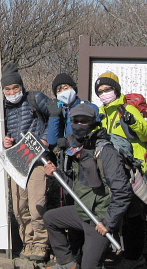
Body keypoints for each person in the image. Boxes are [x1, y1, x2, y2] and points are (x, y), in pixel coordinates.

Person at [43, 103, 132, 269]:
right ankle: (68, 264)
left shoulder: (106, 152)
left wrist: (108, 222)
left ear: (94, 122)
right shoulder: (78, 149)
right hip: (83, 212)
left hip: (99, 219)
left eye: (84, 121)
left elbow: (123, 192)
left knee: (90, 266)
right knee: (51, 218)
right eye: (75, 120)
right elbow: (76, 185)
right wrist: (56, 174)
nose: (79, 125)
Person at [95, 71, 147, 269]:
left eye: (108, 89)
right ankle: (124, 253)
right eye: (100, 91)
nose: (104, 93)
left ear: (116, 89)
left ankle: (134, 257)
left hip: (135, 168)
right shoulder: (103, 113)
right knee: (121, 212)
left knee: (133, 215)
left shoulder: (126, 108)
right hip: (114, 170)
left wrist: (133, 121)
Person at [1, 62, 51, 262]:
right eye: (8, 89)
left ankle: (41, 244)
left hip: (37, 159)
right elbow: (0, 132)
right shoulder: (2, 107)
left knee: (36, 204)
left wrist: (46, 138)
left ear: (22, 86)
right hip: (17, 160)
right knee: (19, 206)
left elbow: (54, 117)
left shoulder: (35, 98)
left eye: (16, 88)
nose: (13, 92)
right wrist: (4, 140)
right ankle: (27, 242)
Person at [46, 73, 98, 149]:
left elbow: (94, 135)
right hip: (67, 158)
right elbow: (52, 141)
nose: (63, 92)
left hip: (86, 155)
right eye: (59, 90)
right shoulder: (61, 112)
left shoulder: (89, 108)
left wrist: (70, 144)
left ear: (74, 88)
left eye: (65, 88)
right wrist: (54, 116)